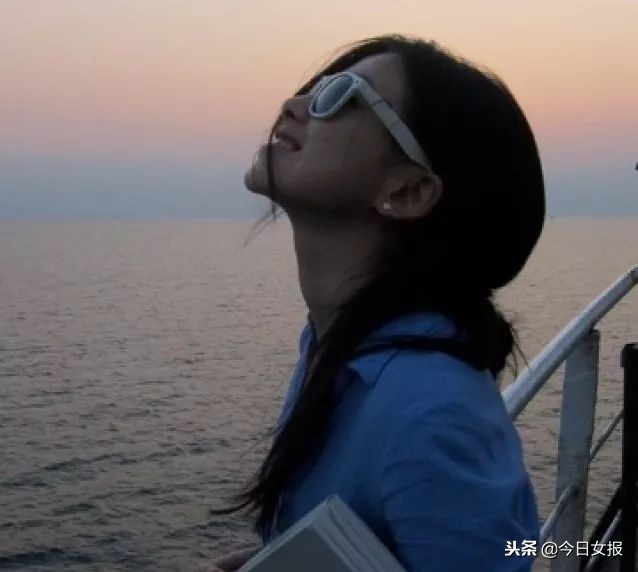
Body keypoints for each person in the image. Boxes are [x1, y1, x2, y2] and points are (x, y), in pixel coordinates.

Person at [206, 33, 545, 572]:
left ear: (408, 191)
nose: (292, 105)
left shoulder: (430, 408)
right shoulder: (338, 342)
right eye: (313, 88)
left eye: (340, 95)